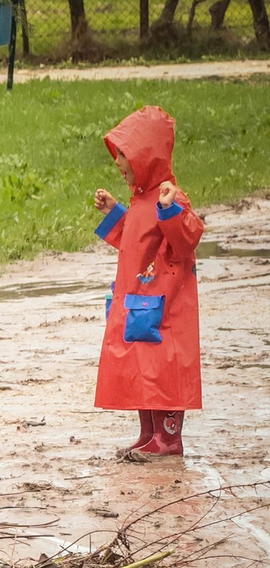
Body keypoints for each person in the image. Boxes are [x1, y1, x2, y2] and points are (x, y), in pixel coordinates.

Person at [91, 105, 205, 457]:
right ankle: (150, 433)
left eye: (124, 154)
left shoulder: (171, 197)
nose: (118, 162)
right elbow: (135, 240)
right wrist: (115, 211)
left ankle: (168, 438)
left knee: (164, 368)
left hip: (165, 306)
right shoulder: (141, 199)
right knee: (141, 366)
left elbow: (188, 237)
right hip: (139, 301)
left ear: (146, 155)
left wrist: (170, 210)